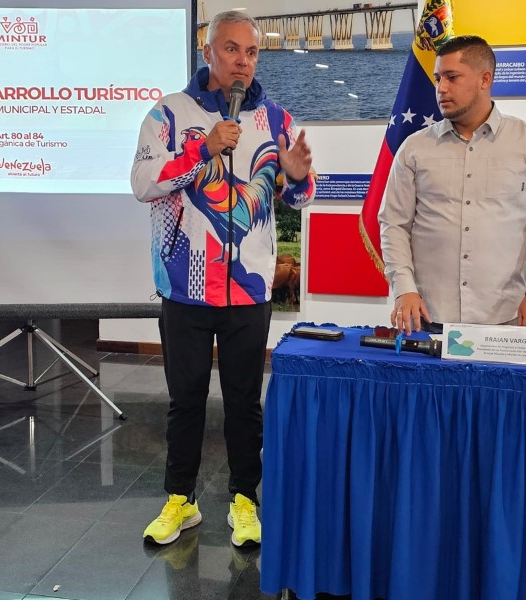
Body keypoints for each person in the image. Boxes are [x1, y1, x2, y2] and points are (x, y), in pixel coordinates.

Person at [130, 10, 315, 547]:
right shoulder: (168, 113)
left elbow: (298, 198)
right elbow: (143, 183)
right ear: (208, 51)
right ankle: (180, 500)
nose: (242, 62)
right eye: (231, 49)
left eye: (251, 52)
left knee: (244, 402)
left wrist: (298, 178)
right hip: (184, 287)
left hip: (249, 290)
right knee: (185, 400)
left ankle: (244, 500)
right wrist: (203, 148)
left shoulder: (276, 119)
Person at [379, 35, 526, 335]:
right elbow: (393, 224)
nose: (441, 88)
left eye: (452, 77)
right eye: (438, 78)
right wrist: (404, 288)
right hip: (427, 317)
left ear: (485, 79)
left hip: (505, 319)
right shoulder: (414, 148)